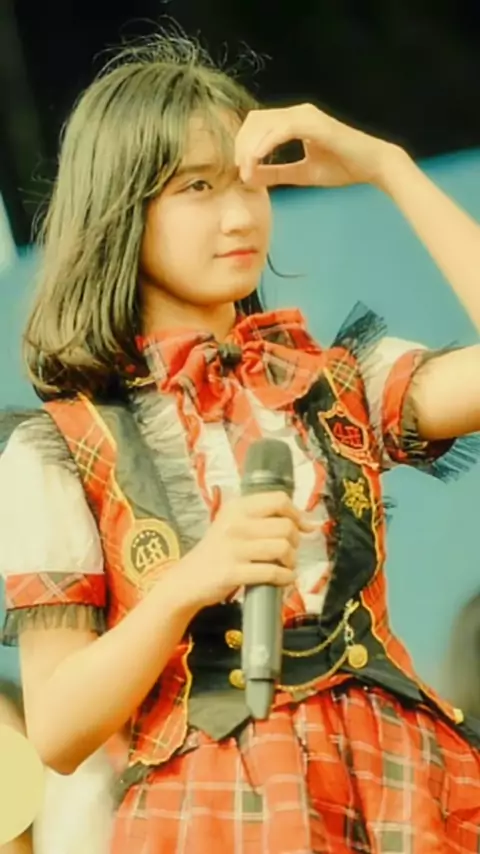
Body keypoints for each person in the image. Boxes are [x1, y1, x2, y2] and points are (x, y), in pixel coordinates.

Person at [1, 33, 480, 854]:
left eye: (248, 181)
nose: (239, 214)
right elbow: (58, 729)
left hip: (399, 792)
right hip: (217, 815)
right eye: (198, 186)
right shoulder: (65, 446)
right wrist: (191, 582)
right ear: (121, 208)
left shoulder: (337, 383)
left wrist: (390, 167)